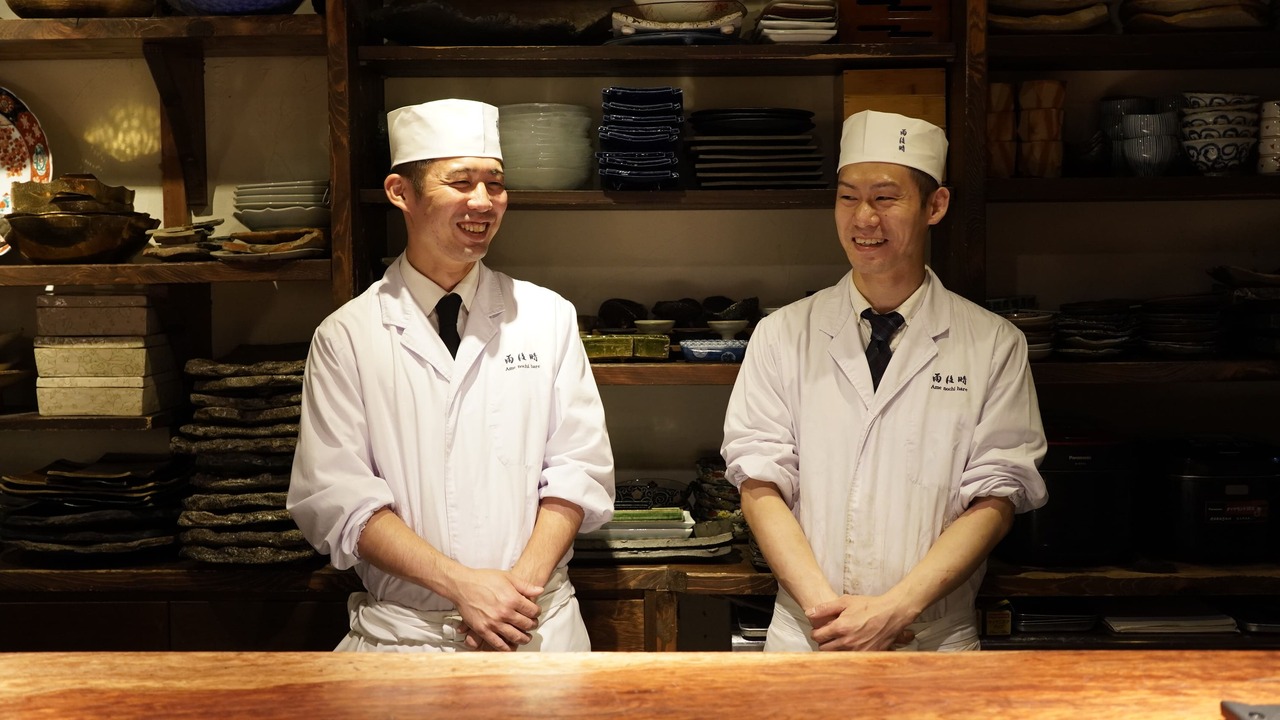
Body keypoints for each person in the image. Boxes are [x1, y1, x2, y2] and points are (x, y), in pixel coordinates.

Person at [287, 98, 615, 653]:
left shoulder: (547, 317)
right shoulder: (347, 336)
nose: (483, 201)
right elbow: (338, 495)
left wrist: (514, 595)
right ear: (401, 193)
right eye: (461, 182)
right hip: (405, 640)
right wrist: (463, 587)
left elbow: (577, 468)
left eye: (496, 183)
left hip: (535, 627)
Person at [721, 109, 1048, 652]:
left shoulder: (993, 344)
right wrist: (830, 615)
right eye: (848, 197)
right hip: (810, 633)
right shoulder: (781, 335)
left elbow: (997, 495)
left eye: (886, 198)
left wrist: (896, 609)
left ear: (935, 206)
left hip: (931, 636)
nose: (864, 218)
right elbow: (758, 481)